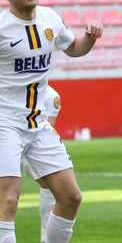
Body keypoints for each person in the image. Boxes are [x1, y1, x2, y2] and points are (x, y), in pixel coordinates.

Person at [0, 0, 103, 242]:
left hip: (38, 123)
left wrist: (90, 38)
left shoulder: (50, 18)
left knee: (70, 197)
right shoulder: (1, 28)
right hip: (5, 124)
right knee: (8, 200)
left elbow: (74, 48)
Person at [21, 85, 62, 243]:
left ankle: (45, 236)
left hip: (27, 144)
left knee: (49, 181)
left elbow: (45, 133)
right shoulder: (10, 84)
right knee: (8, 192)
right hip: (6, 138)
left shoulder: (50, 96)